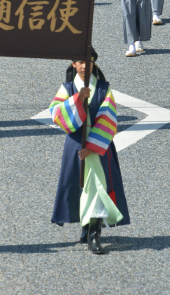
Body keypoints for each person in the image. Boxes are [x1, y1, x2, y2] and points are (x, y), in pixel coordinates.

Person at [50, 48, 130, 254]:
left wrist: (92, 146)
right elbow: (56, 113)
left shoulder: (104, 88)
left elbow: (109, 117)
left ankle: (95, 233)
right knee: (80, 188)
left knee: (96, 189)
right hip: (75, 145)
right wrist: (77, 99)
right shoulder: (67, 88)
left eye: (89, 61)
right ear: (73, 64)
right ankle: (86, 226)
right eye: (80, 61)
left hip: (98, 147)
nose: (85, 65)